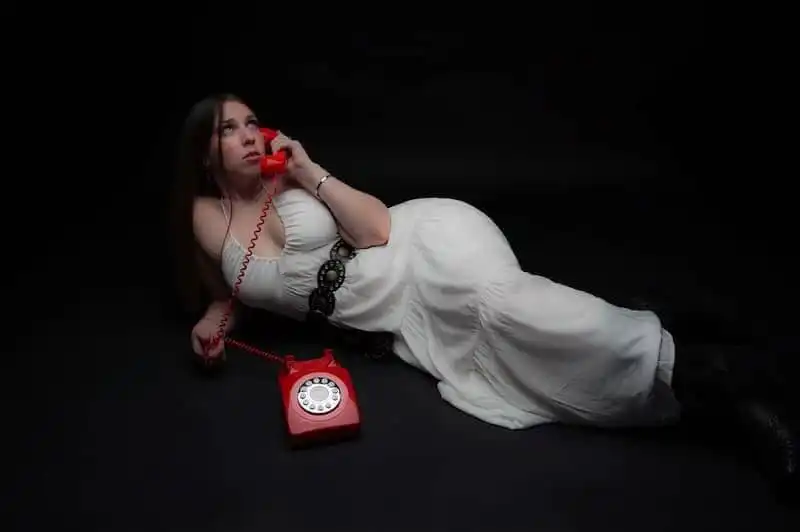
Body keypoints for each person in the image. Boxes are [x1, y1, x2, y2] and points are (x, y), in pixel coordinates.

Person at [170, 93, 797, 500]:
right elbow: (233, 288)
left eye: (255, 122)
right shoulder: (204, 218)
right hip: (403, 319)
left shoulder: (293, 183)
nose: (251, 135)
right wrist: (214, 319)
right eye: (232, 129)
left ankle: (732, 393)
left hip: (424, 247)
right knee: (525, 360)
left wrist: (307, 171)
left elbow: (377, 231)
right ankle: (676, 337)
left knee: (513, 312)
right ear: (206, 152)